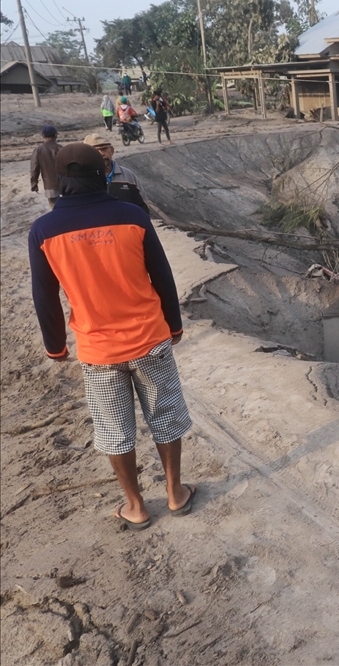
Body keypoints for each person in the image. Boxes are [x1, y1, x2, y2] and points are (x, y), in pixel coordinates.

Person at [28, 143, 196, 531]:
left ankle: (135, 506)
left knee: (113, 429)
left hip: (98, 350)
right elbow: (162, 275)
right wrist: (174, 327)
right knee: (166, 417)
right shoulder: (131, 216)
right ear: (102, 174)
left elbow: (45, 297)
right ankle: (175, 494)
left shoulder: (43, 231)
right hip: (149, 340)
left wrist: (56, 347)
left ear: (61, 180)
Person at [84, 133, 151, 214]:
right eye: (95, 150)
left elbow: (143, 206)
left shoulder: (128, 176)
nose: (101, 153)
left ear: (111, 151)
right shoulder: (82, 180)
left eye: (104, 149)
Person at [30, 125, 62, 207]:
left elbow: (34, 168)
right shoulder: (61, 148)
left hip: (50, 186)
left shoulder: (39, 149)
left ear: (43, 136)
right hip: (65, 184)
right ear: (55, 135)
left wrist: (34, 183)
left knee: (55, 209)